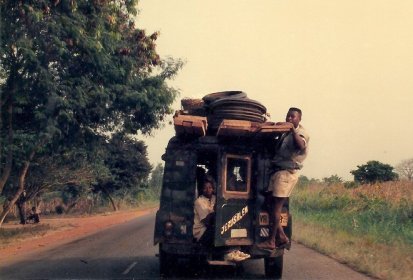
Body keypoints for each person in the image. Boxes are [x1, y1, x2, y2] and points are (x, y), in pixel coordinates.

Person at [258, 107, 309, 250]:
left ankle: (272, 241)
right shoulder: (284, 133)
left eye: (293, 117)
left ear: (299, 119)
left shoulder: (301, 132)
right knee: (268, 202)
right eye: (288, 117)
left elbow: (301, 145)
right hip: (277, 172)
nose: (289, 119)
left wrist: (292, 130)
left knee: (276, 209)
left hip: (286, 174)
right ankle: (282, 236)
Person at [193, 176, 250, 261]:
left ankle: (235, 250)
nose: (208, 190)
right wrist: (217, 210)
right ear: (201, 189)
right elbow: (207, 222)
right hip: (202, 232)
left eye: (210, 188)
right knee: (220, 229)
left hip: (212, 229)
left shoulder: (215, 198)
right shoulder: (199, 201)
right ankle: (229, 253)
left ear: (213, 189)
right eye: (205, 188)